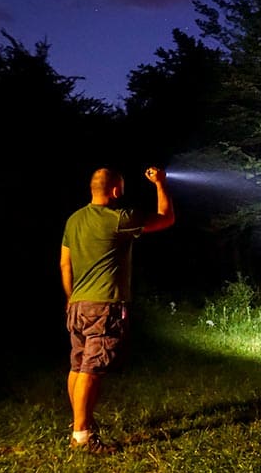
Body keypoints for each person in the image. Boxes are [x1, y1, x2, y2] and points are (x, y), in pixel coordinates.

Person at [60, 166, 175, 453]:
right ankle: (83, 435)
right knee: (92, 369)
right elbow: (166, 218)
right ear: (115, 191)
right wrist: (160, 184)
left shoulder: (74, 220)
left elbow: (65, 263)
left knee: (77, 367)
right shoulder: (118, 219)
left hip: (77, 303)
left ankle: (81, 426)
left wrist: (71, 296)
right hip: (104, 304)